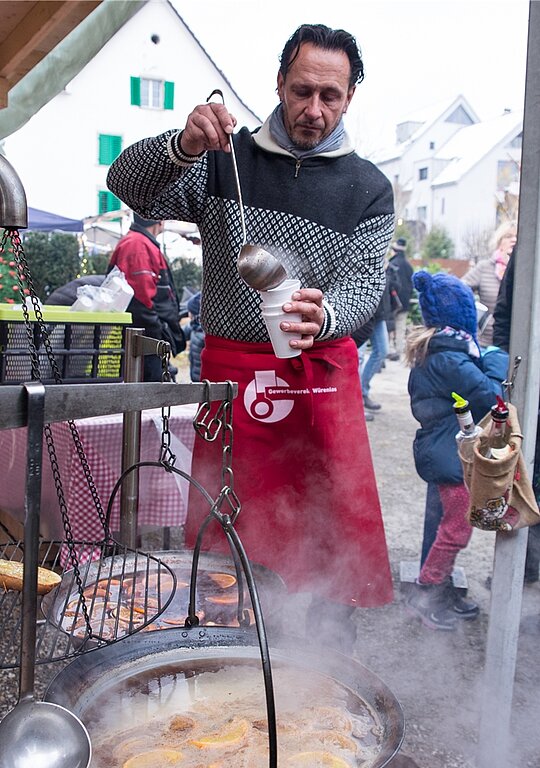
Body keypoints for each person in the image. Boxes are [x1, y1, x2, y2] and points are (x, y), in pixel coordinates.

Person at [107, 23, 395, 652]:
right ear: (279, 84)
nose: (312, 110)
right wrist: (182, 146)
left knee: (324, 542)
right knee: (225, 540)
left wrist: (325, 316)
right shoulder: (225, 159)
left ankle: (322, 661)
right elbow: (125, 182)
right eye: (301, 91)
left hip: (318, 379)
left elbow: (364, 285)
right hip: (234, 379)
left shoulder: (367, 187)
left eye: (330, 96)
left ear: (351, 97)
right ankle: (222, 658)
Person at [405, 271, 508, 630]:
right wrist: (497, 361)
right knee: (455, 530)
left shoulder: (441, 351)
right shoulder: (450, 358)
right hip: (450, 455)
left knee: (447, 528)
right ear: (462, 317)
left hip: (444, 451)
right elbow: (491, 397)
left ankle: (441, 589)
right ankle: (426, 596)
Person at [493, 249, 540, 584]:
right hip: (530, 386)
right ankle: (521, 569)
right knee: (525, 477)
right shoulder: (528, 250)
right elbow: (506, 314)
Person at [107, 212, 185, 381]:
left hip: (148, 338)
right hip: (145, 340)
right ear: (160, 220)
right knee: (149, 396)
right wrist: (156, 333)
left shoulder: (141, 242)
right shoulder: (137, 244)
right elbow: (141, 299)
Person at [462, 220, 517, 347]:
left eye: (517, 237)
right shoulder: (485, 267)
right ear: (499, 242)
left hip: (515, 343)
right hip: (486, 344)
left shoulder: (523, 272)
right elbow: (460, 290)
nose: (513, 240)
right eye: (508, 236)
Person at [359, 265, 395, 411]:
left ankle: (362, 391)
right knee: (357, 356)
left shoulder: (387, 263)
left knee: (382, 351)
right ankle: (356, 400)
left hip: (379, 314)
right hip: (360, 313)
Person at [386, 238, 413, 361]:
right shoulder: (409, 265)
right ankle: (399, 351)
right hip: (405, 301)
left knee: (389, 326)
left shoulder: (392, 264)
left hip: (392, 302)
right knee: (401, 326)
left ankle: (388, 350)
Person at [185, 291, 205, 382]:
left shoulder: (203, 333)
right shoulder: (194, 326)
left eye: (190, 312)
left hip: (202, 376)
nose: (188, 314)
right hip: (195, 373)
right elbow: (183, 332)